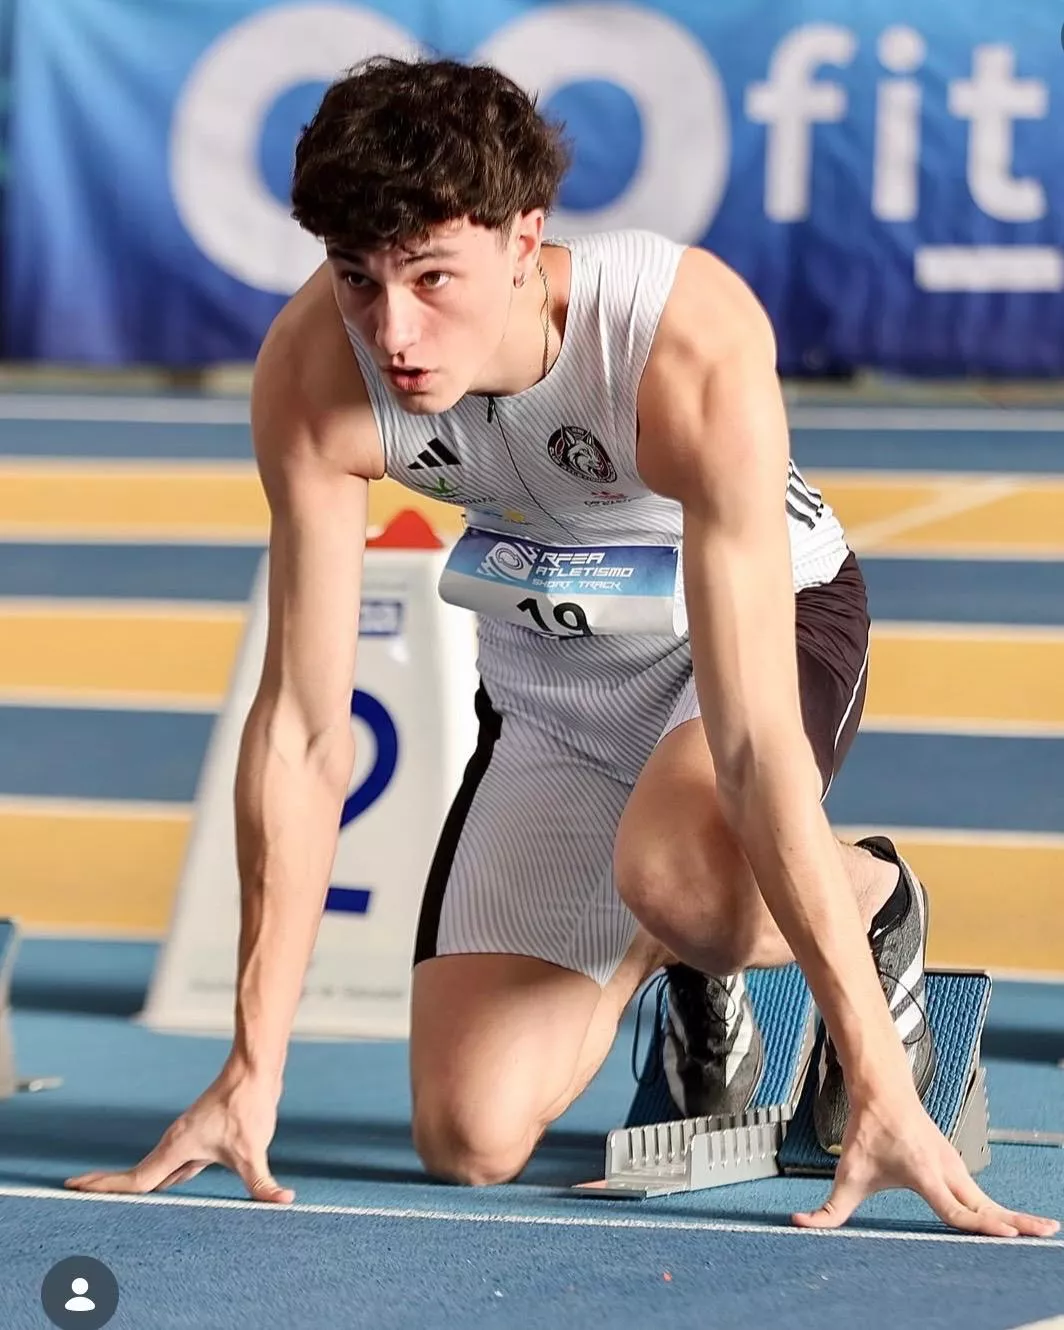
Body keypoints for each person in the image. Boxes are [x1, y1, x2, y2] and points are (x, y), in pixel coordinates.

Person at [67, 57, 1056, 1238]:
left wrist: (876, 1075)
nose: (394, 329)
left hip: (739, 641)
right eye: (357, 280)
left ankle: (869, 901)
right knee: (467, 1136)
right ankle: (682, 956)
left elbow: (746, 747)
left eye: (433, 277)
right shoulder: (315, 372)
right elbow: (302, 732)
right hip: (549, 684)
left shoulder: (679, 342)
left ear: (525, 235)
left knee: (687, 872)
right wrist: (250, 1069)